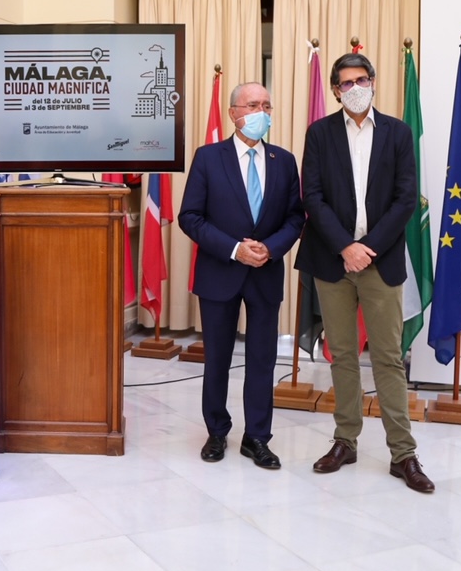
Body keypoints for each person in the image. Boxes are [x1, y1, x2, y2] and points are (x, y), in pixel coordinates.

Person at [295, 52, 434, 493]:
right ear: (335, 90)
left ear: (373, 82)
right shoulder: (319, 133)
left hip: (381, 260)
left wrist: (367, 248)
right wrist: (345, 247)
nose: (354, 88)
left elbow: (406, 199)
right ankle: (345, 441)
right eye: (345, 83)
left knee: (389, 359)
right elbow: (312, 196)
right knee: (342, 354)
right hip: (332, 260)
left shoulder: (397, 132)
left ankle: (403, 454)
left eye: (361, 79)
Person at [179, 82, 305, 469]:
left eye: (267, 105)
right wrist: (236, 249)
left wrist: (271, 248)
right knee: (216, 357)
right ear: (233, 112)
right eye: (252, 105)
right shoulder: (207, 157)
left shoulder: (284, 160)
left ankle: (257, 438)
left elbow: (295, 217)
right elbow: (190, 217)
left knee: (263, 359)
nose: (261, 112)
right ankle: (217, 432)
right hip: (220, 271)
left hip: (266, 273)